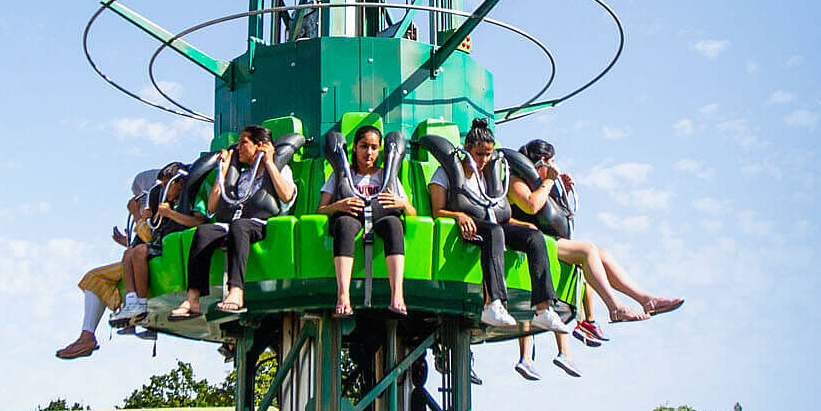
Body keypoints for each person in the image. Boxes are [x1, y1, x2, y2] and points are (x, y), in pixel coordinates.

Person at [508, 139, 683, 344]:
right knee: (587, 250)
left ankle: (646, 299)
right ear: (543, 163)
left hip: (549, 239)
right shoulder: (516, 180)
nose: (556, 166)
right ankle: (615, 308)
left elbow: (557, 213)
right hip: (530, 242)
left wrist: (561, 187)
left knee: (603, 253)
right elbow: (531, 206)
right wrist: (549, 182)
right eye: (553, 162)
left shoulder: (541, 183)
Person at [427, 119, 573, 343]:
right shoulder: (445, 173)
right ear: (467, 149)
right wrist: (459, 215)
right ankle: (492, 303)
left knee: (534, 237)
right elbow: (437, 211)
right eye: (478, 154)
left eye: (488, 155)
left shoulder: (489, 175)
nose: (483, 160)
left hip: (492, 224)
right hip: (466, 226)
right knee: (494, 232)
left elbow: (498, 211)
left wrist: (524, 225)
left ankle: (544, 309)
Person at [57, 163, 201, 359]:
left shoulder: (169, 204)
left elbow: (149, 236)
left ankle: (89, 334)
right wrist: (126, 239)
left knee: (93, 278)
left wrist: (137, 215)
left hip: (158, 254)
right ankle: (126, 311)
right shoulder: (160, 204)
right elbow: (146, 237)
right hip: (145, 253)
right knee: (128, 256)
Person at [172, 125, 298, 318]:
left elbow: (287, 195)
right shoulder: (243, 176)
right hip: (235, 223)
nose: (238, 148)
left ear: (260, 146)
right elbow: (213, 207)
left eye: (243, 143)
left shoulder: (281, 170)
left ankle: (236, 291)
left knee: (240, 226)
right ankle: (193, 298)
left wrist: (270, 162)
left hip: (261, 224)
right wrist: (221, 174)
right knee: (204, 232)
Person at [316, 124, 414, 316]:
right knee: (343, 225)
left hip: (381, 217)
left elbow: (412, 213)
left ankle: (397, 295)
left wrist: (401, 203)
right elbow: (321, 210)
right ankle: (343, 295)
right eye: (364, 146)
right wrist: (338, 206)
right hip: (352, 217)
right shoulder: (342, 174)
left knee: (394, 225)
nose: (368, 152)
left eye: (374, 147)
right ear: (354, 147)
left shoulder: (386, 176)